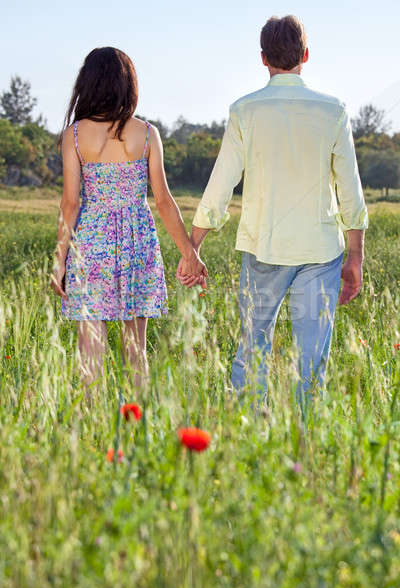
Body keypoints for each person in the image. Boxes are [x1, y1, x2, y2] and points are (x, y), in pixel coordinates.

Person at [178, 15, 368, 402]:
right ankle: (304, 445)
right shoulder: (334, 110)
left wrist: (193, 246)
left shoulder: (244, 111)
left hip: (263, 250)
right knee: (312, 360)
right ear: (306, 55)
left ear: (263, 58)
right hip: (321, 252)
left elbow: (221, 183)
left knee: (252, 349)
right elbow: (350, 188)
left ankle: (248, 435)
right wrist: (356, 257)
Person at [51, 47, 207, 392]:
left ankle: (90, 429)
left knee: (89, 349)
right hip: (138, 242)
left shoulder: (75, 136)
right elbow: (164, 202)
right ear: (128, 86)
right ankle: (138, 426)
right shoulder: (147, 134)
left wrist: (60, 259)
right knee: (136, 350)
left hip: (91, 245)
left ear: (87, 85)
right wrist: (188, 253)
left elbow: (70, 203)